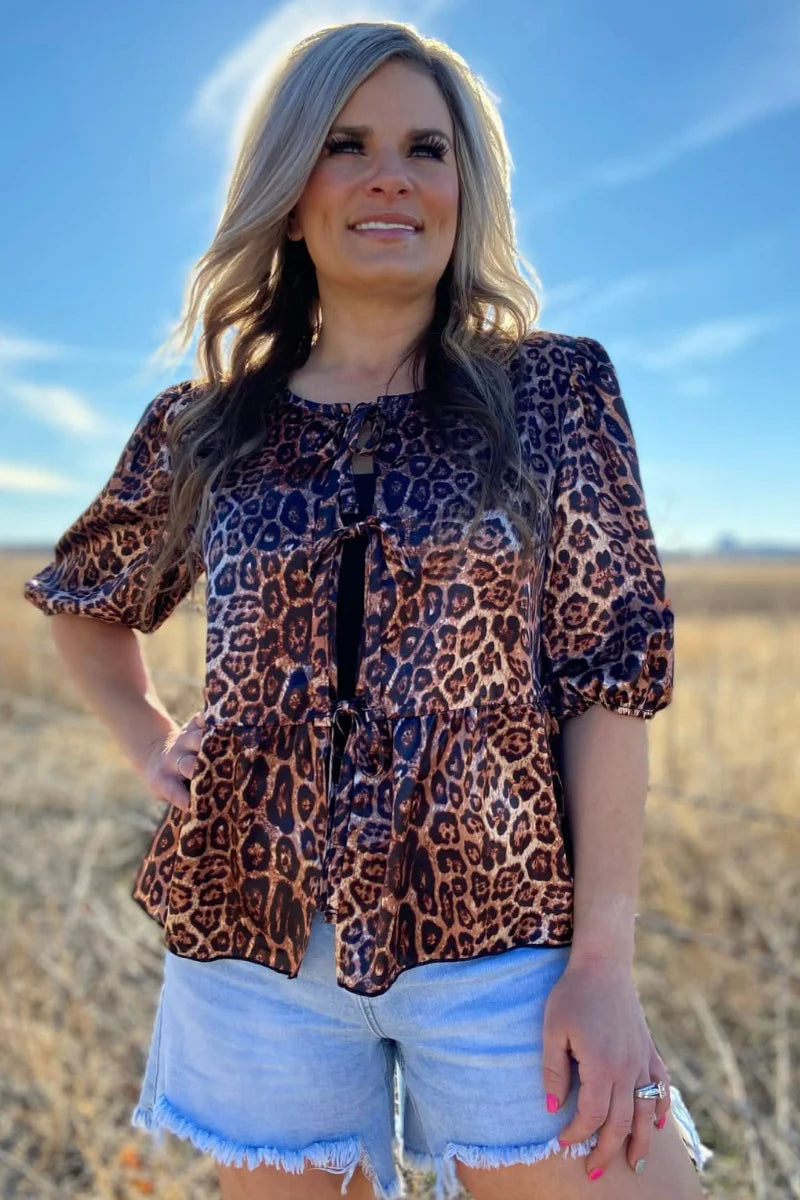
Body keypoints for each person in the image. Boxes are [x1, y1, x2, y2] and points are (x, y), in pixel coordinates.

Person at [23, 20, 714, 1200]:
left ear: (463, 189)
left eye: (424, 150)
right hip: (255, 954)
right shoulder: (206, 424)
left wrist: (601, 961)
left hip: (506, 944)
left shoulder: (551, 391)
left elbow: (609, 676)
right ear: (291, 195)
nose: (389, 176)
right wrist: (148, 739)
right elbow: (85, 598)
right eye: (345, 145)